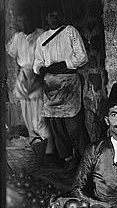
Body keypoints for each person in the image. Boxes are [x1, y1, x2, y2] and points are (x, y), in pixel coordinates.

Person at [33, 3, 90, 173]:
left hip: (68, 82)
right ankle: (69, 159)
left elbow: (82, 57)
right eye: (51, 15)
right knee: (56, 126)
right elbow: (37, 62)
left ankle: (88, 160)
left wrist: (64, 64)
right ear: (46, 17)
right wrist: (42, 69)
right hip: (50, 86)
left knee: (75, 125)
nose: (55, 18)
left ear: (62, 17)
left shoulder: (70, 31)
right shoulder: (42, 38)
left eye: (58, 15)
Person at [6, 13, 53, 155]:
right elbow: (13, 55)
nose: (24, 24)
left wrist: (41, 75)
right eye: (21, 21)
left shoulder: (41, 35)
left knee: (40, 115)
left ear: (33, 20)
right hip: (24, 76)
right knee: (27, 113)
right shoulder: (18, 37)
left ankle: (48, 148)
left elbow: (48, 58)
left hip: (38, 75)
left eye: (27, 20)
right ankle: (36, 146)